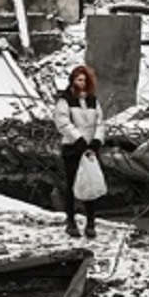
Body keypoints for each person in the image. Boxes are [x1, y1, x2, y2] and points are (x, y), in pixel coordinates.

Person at [53, 64, 105, 239]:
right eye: (78, 79)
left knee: (90, 184)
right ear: (72, 80)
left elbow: (100, 123)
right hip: (72, 147)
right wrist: (78, 140)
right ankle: (71, 222)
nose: (81, 83)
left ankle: (91, 223)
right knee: (71, 184)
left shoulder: (93, 100)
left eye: (84, 80)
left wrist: (96, 141)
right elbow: (63, 123)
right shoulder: (65, 100)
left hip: (90, 149)